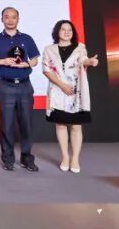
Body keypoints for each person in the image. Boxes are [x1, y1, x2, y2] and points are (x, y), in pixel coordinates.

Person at [0, 6, 41, 172]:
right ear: (2, 19)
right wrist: (3, 61)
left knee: (26, 123)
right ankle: (8, 159)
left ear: (18, 19)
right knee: (7, 124)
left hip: (25, 85)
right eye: (6, 17)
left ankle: (26, 158)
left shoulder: (27, 38)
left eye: (13, 17)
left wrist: (27, 64)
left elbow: (35, 60)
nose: (10, 20)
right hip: (5, 85)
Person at [41, 19, 99, 173]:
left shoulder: (80, 48)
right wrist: (62, 85)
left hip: (75, 92)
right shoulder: (49, 49)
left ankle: (75, 159)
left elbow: (83, 60)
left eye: (70, 30)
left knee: (76, 126)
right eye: (63, 29)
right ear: (57, 32)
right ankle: (65, 157)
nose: (67, 32)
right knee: (60, 125)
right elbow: (46, 70)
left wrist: (90, 62)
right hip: (58, 91)